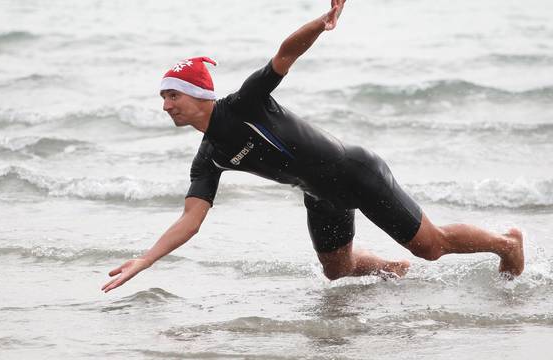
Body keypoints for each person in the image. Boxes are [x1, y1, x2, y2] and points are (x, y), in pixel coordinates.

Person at [102, 0, 524, 293]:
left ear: (199, 94)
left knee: (431, 247)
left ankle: (507, 243)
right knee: (337, 271)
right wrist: (145, 259)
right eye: (163, 98)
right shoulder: (209, 156)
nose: (165, 105)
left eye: (172, 95)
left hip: (356, 173)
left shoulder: (245, 104)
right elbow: (190, 220)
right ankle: (392, 269)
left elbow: (284, 56)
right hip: (321, 195)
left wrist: (320, 24)